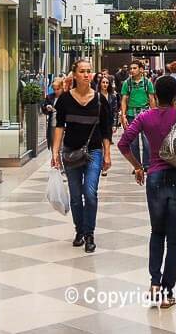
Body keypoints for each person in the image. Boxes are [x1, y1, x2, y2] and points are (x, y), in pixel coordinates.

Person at [118, 75, 176, 308]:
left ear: (155, 95)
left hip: (155, 178)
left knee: (157, 232)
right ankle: (168, 292)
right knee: (175, 237)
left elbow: (123, 143)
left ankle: (154, 282)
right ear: (175, 95)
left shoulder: (144, 117)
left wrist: (138, 166)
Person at [51, 59, 112, 253]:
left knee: (90, 193)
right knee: (76, 196)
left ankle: (90, 233)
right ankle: (79, 230)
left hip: (93, 151)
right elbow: (59, 126)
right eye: (82, 71)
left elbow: (106, 130)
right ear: (75, 74)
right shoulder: (65, 100)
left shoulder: (101, 100)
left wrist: (107, 154)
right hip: (70, 152)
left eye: (89, 71)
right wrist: (55, 151)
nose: (86, 74)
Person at [120, 60, 156, 171]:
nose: (132, 70)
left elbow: (151, 98)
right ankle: (137, 165)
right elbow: (124, 100)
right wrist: (123, 115)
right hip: (131, 114)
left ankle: (146, 164)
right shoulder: (127, 83)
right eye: (131, 68)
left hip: (145, 114)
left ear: (141, 69)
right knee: (133, 142)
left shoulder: (147, 83)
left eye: (134, 68)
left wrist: (154, 114)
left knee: (147, 141)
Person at [41, 77, 64, 150]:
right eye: (54, 89)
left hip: (63, 125)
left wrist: (55, 109)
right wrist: (47, 108)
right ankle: (55, 160)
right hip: (53, 124)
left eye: (58, 89)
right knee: (54, 146)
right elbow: (44, 109)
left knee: (62, 147)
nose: (56, 91)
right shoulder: (50, 97)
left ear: (62, 88)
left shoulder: (66, 97)